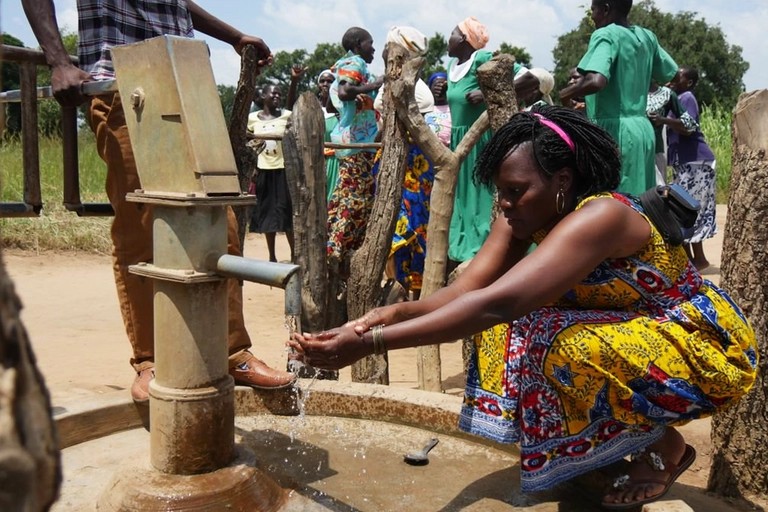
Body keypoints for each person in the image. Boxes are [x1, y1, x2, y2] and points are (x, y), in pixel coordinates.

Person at [291, 106, 758, 509]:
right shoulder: (522, 215)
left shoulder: (603, 215)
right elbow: (467, 293)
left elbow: (501, 303)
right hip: (629, 337)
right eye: (502, 192)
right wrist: (387, 316)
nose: (506, 203)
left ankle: (665, 445)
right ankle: (601, 449)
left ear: (562, 180)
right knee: (517, 328)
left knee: (547, 333)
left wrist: (372, 344)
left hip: (701, 347)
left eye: (516, 190)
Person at [22, 0, 296, 402]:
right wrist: (58, 60)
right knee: (141, 226)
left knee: (220, 221)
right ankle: (150, 361)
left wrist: (233, 36)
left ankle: (233, 351)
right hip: (124, 86)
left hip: (187, 85)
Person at [445, 16, 538, 268]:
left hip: (482, 140)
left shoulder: (483, 59)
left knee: (484, 194)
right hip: (460, 141)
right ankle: (464, 250)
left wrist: (488, 93)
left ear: (464, 39)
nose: (448, 38)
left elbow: (530, 79)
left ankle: (489, 250)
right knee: (464, 197)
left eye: (453, 33)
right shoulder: (451, 68)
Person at [559, 0, 678, 196]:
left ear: (606, 9)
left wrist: (565, 94)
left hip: (615, 132)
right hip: (643, 130)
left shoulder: (606, 34)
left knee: (614, 200)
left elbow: (596, 81)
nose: (593, 17)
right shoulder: (647, 37)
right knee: (641, 198)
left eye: (594, 11)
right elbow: (670, 73)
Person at [326, 26, 383, 271]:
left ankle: (337, 248)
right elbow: (344, 92)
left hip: (355, 141)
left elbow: (334, 101)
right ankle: (337, 251)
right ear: (359, 44)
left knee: (347, 196)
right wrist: (375, 85)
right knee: (355, 200)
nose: (374, 48)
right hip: (356, 143)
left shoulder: (342, 64)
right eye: (370, 43)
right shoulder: (355, 62)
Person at [667, 67, 717, 271]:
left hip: (696, 162)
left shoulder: (687, 97)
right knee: (683, 209)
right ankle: (691, 260)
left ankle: (699, 259)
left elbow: (688, 128)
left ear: (688, 82)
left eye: (678, 75)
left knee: (690, 209)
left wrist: (663, 120)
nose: (672, 77)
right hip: (686, 162)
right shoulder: (675, 98)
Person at [247, 84, 294, 263]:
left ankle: (293, 254)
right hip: (263, 170)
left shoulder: (286, 116)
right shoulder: (253, 119)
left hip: (283, 169)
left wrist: (294, 81)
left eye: (279, 94)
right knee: (267, 215)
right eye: (273, 93)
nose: (277, 96)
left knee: (286, 212)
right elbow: (248, 141)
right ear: (264, 96)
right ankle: (272, 256)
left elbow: (291, 105)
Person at [646, 80, 697, 186]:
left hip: (655, 152)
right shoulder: (629, 92)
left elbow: (689, 124)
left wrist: (662, 120)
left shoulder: (666, 94)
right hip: (631, 150)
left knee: (657, 192)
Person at [317, 69, 341, 202]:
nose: (326, 84)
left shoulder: (341, 110)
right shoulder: (312, 108)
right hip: (316, 159)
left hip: (336, 160)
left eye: (330, 81)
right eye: (322, 81)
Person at [424, 72, 451, 148]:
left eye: (443, 85)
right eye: (436, 85)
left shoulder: (454, 109)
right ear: (430, 88)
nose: (440, 88)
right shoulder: (425, 108)